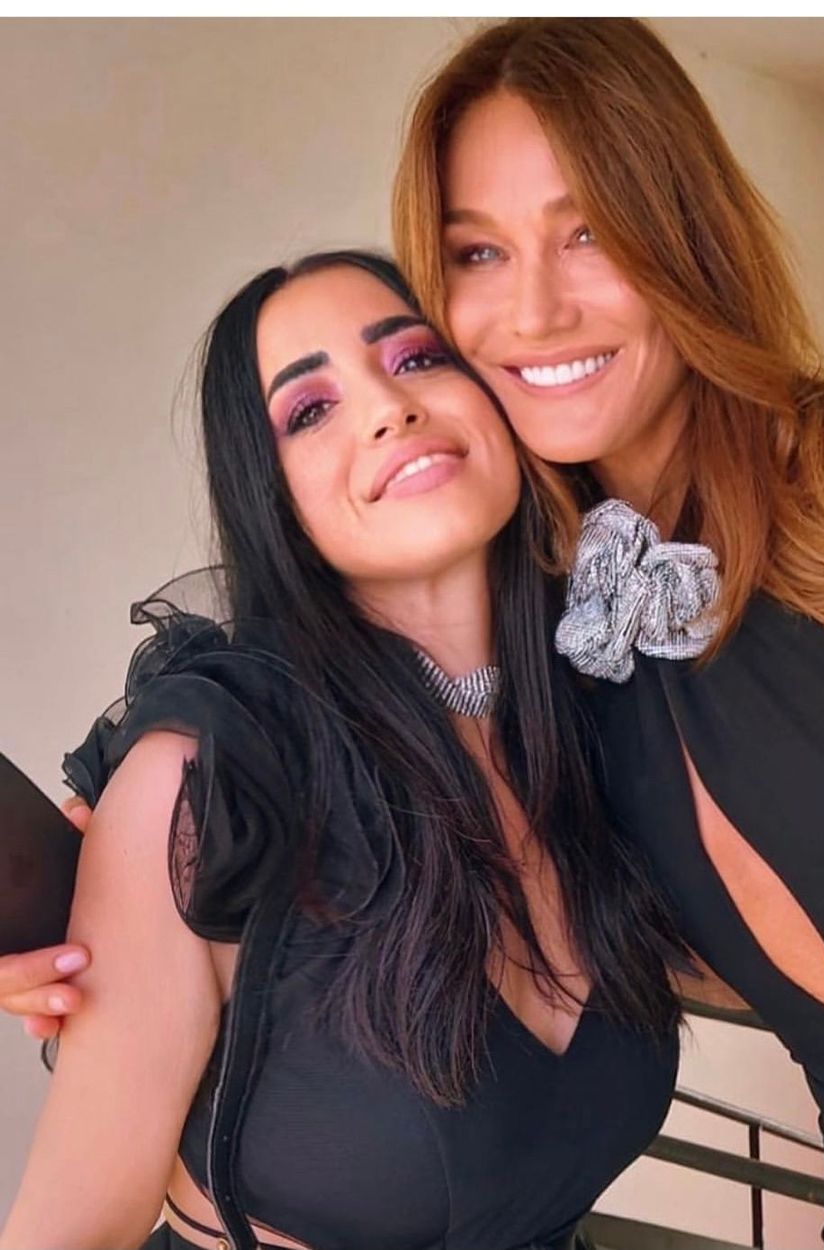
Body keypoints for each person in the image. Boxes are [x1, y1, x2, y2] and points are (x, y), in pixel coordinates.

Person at [8, 16, 824, 1249]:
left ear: (683, 230)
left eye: (590, 229)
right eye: (479, 252)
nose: (538, 309)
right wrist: (114, 922)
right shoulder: (574, 663)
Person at [0, 249, 682, 1250]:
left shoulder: (597, 726)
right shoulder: (209, 782)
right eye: (310, 409)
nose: (389, 409)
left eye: (417, 359)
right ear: (269, 496)